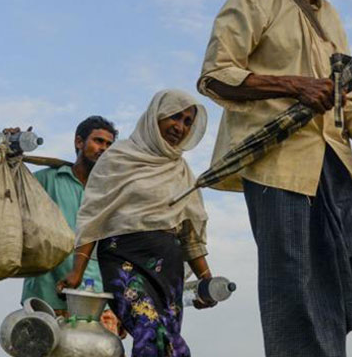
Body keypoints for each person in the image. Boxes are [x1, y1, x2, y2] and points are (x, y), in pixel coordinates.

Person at [197, 0, 352, 355]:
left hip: (335, 162)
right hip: (277, 164)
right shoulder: (252, 0)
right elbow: (215, 75)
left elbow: (345, 99)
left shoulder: (331, 16)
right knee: (294, 285)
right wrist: (293, 85)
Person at [58, 89, 216, 357]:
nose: (180, 127)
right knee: (150, 331)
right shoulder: (118, 158)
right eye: (174, 116)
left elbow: (190, 235)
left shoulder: (181, 171)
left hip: (168, 268)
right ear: (156, 116)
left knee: (170, 343)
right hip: (123, 259)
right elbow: (93, 217)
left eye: (188, 121)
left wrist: (207, 281)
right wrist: (77, 272)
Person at [13, 116, 123, 332]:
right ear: (79, 142)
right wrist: (10, 153)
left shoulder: (111, 193)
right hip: (46, 297)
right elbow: (6, 196)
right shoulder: (47, 179)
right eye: (98, 141)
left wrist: (121, 307)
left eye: (109, 145)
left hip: (97, 300)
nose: (104, 149)